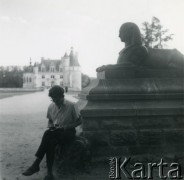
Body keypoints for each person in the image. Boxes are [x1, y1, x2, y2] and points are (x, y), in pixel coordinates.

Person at [22, 85, 81, 180]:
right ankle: (50, 173)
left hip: (68, 133)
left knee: (47, 133)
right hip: (56, 133)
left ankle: (36, 163)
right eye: (52, 99)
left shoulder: (72, 105)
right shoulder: (51, 106)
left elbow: (79, 121)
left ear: (62, 96)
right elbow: (50, 120)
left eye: (57, 99)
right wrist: (51, 126)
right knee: (51, 142)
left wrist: (66, 127)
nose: (55, 101)